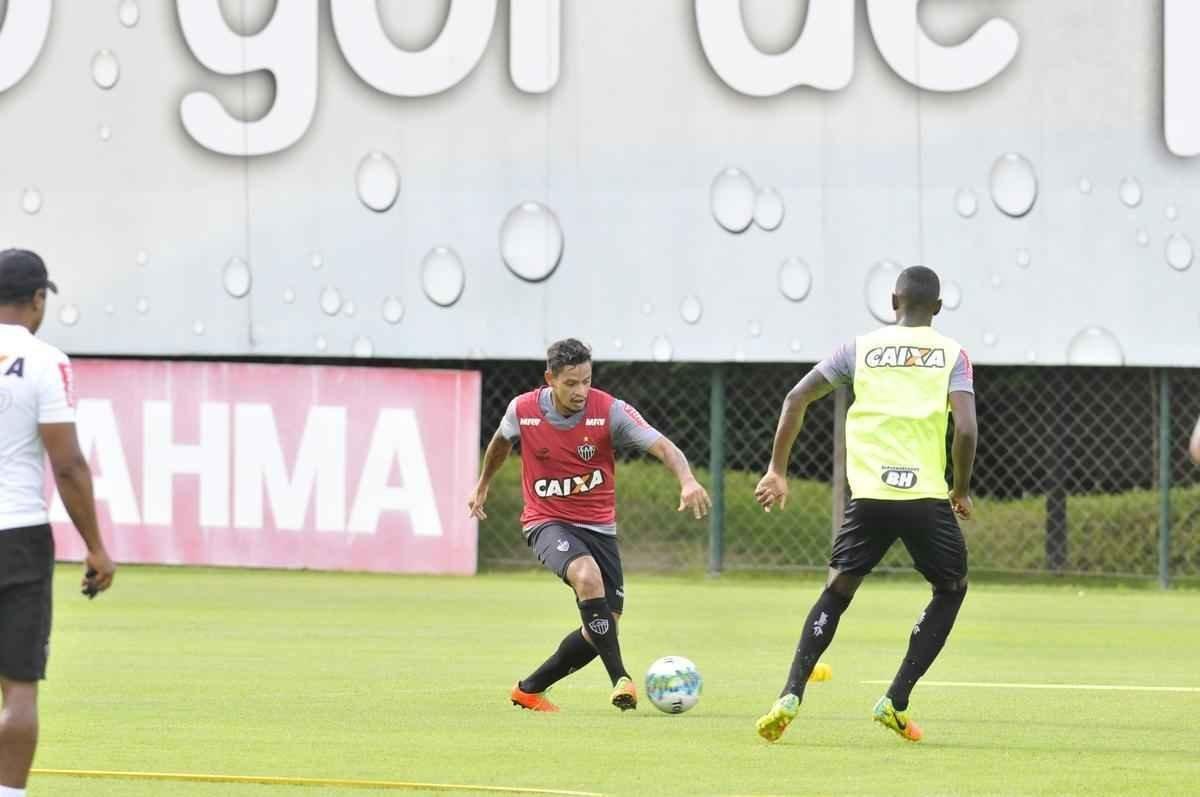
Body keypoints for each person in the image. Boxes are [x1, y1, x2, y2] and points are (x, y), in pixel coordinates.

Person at [753, 265, 976, 744]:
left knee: (836, 593)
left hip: (870, 495)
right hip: (924, 499)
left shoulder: (859, 349)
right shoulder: (954, 355)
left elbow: (797, 397)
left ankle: (790, 693)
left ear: (893, 300)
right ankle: (895, 700)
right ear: (937, 308)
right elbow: (966, 428)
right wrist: (960, 489)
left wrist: (777, 469)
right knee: (951, 588)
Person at [468, 338, 711, 712]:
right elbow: (501, 443)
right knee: (586, 576)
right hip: (545, 521)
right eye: (571, 383)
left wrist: (688, 479)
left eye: (586, 380)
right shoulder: (523, 410)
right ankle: (621, 680)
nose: (581, 391)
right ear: (550, 378)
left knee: (602, 625)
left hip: (599, 529)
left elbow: (663, 446)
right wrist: (483, 485)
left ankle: (529, 689)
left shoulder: (609, 411)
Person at [0, 249, 116, 796]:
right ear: (38, 299)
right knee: (19, 690)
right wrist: (96, 546)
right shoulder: (47, 361)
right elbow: (67, 464)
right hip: (18, 534)